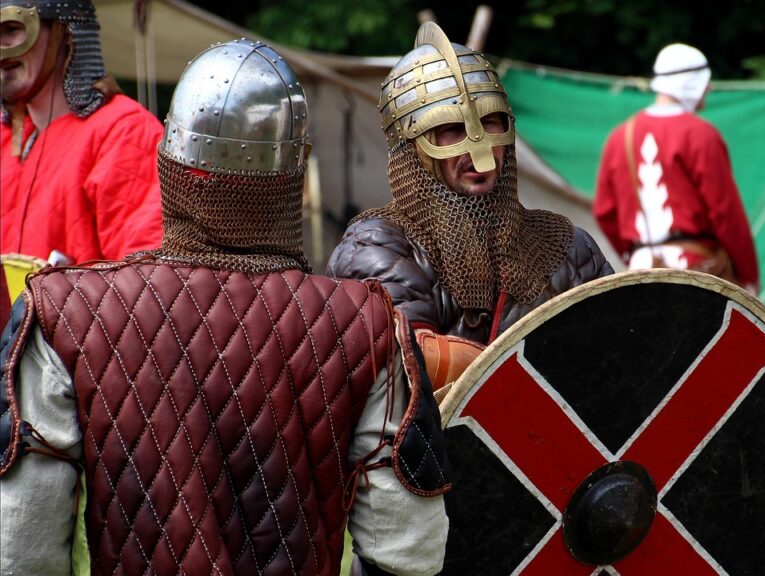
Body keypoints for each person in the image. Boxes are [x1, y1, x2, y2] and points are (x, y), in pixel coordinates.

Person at [0, 40, 449, 576]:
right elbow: (409, 551)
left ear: (171, 162)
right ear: (293, 172)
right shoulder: (365, 323)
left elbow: (20, 543)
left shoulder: (65, 311)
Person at [327, 22, 613, 389]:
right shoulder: (378, 247)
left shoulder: (568, 246)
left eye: (490, 122)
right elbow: (404, 380)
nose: (477, 146)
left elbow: (618, 353)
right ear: (413, 148)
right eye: (451, 129)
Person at [0, 0, 163, 264]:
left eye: (11, 29)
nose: (2, 50)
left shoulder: (124, 133)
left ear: (65, 32)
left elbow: (143, 282)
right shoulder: (5, 138)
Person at [593, 42, 759, 294]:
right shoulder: (701, 135)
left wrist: (636, 254)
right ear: (690, 83)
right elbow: (726, 214)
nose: (709, 89)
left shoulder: (619, 137)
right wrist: (748, 276)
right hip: (698, 274)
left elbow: (605, 212)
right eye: (705, 82)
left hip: (639, 275)